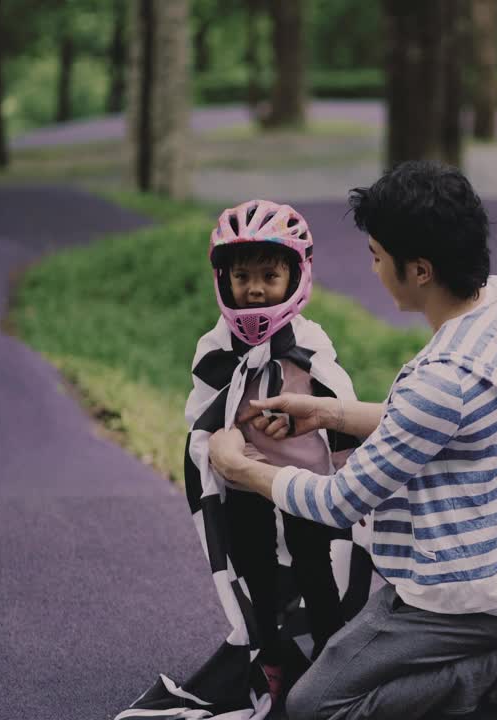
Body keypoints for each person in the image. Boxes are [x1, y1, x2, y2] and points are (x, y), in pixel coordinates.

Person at [209, 161, 497, 720]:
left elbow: (338, 501)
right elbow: (445, 420)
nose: (373, 268)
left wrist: (240, 469)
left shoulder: (440, 380)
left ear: (418, 270)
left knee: (315, 706)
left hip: (482, 594)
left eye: (377, 256)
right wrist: (327, 411)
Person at [191, 200, 364, 707]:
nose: (256, 289)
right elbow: (201, 416)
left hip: (308, 485)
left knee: (316, 569)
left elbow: (340, 407)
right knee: (255, 569)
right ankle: (269, 655)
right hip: (246, 482)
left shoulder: (310, 342)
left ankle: (332, 658)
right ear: (223, 280)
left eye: (270, 274)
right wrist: (216, 451)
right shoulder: (214, 347)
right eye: (242, 276)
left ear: (297, 276)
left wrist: (347, 474)